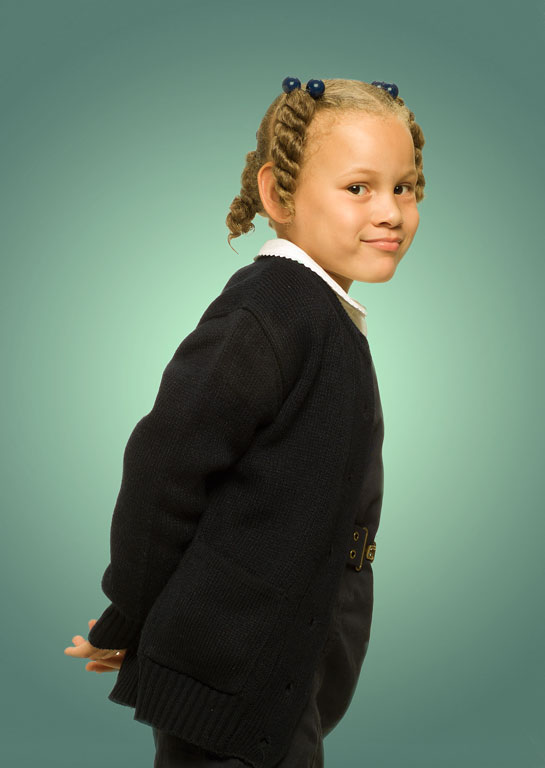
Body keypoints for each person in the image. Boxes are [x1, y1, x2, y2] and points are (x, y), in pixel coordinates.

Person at [64, 76, 426, 767]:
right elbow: (164, 467)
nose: (389, 211)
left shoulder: (325, 316)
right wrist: (128, 613)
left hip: (273, 681)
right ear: (278, 195)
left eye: (403, 187)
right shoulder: (271, 311)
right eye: (358, 188)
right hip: (232, 680)